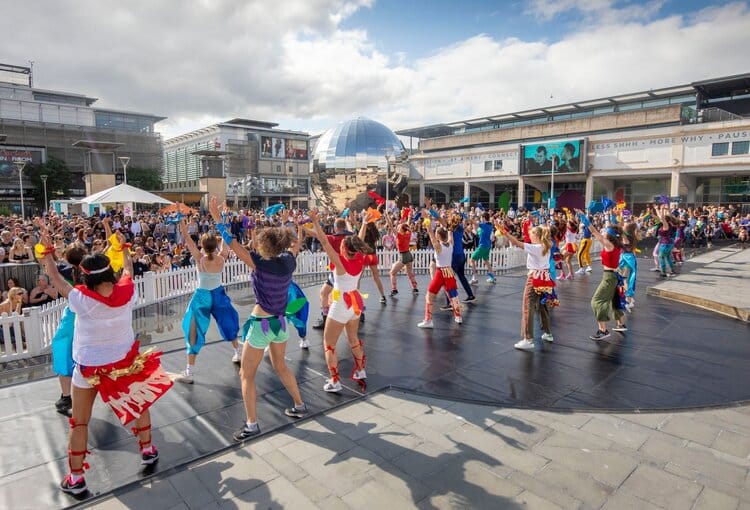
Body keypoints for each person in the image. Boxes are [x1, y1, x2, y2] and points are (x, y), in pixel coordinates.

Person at [38, 230, 172, 495]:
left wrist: (49, 252)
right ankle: (147, 449)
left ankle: (76, 479)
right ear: (109, 272)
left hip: (89, 370)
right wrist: (123, 248)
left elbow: (54, 278)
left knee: (80, 421)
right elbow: (129, 270)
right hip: (123, 365)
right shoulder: (127, 289)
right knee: (139, 405)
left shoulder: (81, 300)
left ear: (85, 277)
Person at [209, 198, 308, 441]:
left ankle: (252, 425)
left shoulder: (259, 263)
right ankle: (299, 405)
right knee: (281, 366)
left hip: (261, 325)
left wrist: (217, 217)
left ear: (265, 245)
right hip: (280, 324)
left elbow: (231, 243)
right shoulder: (289, 261)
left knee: (246, 375)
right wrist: (292, 226)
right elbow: (296, 243)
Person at [307, 209, 372, 393]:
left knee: (329, 344)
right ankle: (360, 370)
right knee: (353, 339)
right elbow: (359, 240)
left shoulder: (341, 262)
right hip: (355, 303)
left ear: (344, 249)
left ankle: (334, 381)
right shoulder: (359, 257)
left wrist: (315, 221)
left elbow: (325, 242)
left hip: (342, 304)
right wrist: (364, 223)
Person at [174, 216, 241, 384]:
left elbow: (186, 237)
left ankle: (189, 371)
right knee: (228, 322)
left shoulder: (199, 258)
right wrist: (223, 219)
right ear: (216, 245)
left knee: (193, 329)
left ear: (202, 246)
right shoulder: (221, 257)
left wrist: (181, 219)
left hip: (202, 296)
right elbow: (227, 238)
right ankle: (238, 352)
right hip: (218, 294)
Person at [498, 224, 557, 350]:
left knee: (528, 306)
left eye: (531, 234)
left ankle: (528, 338)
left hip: (535, 277)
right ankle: (547, 333)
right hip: (545, 278)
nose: (529, 236)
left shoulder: (536, 247)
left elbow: (515, 242)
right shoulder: (546, 245)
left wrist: (505, 232)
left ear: (536, 235)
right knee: (542, 306)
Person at [579, 212, 627, 340]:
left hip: (609, 277)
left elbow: (594, 232)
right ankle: (621, 324)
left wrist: (586, 221)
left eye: (606, 231)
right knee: (615, 301)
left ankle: (603, 330)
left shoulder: (609, 245)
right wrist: (608, 215)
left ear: (609, 235)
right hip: (615, 276)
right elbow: (608, 228)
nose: (604, 231)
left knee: (597, 301)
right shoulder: (615, 244)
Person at [417, 215, 463, 328]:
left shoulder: (439, 246)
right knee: (453, 294)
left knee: (429, 296)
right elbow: (450, 232)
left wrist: (428, 225)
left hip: (441, 272)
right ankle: (458, 316)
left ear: (438, 235)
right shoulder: (450, 243)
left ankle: (428, 320)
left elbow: (432, 237)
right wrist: (451, 227)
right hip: (449, 272)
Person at [311, 218, 354, 330]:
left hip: (337, 272)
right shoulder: (351, 237)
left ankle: (326, 319)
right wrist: (348, 221)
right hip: (349, 270)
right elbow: (351, 230)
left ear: (335, 227)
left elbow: (316, 235)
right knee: (349, 294)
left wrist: (302, 227)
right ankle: (357, 314)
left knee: (324, 293)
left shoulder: (333, 238)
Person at [388, 217, 419, 296]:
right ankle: (415, 288)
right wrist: (408, 217)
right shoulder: (408, 234)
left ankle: (394, 289)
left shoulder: (399, 235)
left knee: (392, 273)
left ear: (401, 229)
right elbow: (407, 226)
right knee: (410, 273)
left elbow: (390, 226)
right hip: (409, 254)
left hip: (403, 255)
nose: (397, 227)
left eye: (399, 227)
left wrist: (386, 216)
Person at [618, 221, 640, 313]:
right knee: (626, 278)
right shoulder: (633, 236)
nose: (623, 226)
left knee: (625, 278)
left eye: (625, 225)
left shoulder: (626, 237)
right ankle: (629, 297)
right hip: (628, 257)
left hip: (627, 258)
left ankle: (629, 299)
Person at [469, 212, 496, 284]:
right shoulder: (490, 225)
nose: (480, 219)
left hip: (483, 246)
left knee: (471, 260)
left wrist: (469, 217)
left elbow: (475, 223)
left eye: (481, 218)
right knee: (486, 261)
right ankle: (492, 276)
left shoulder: (484, 225)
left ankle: (474, 278)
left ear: (484, 218)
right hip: (488, 246)